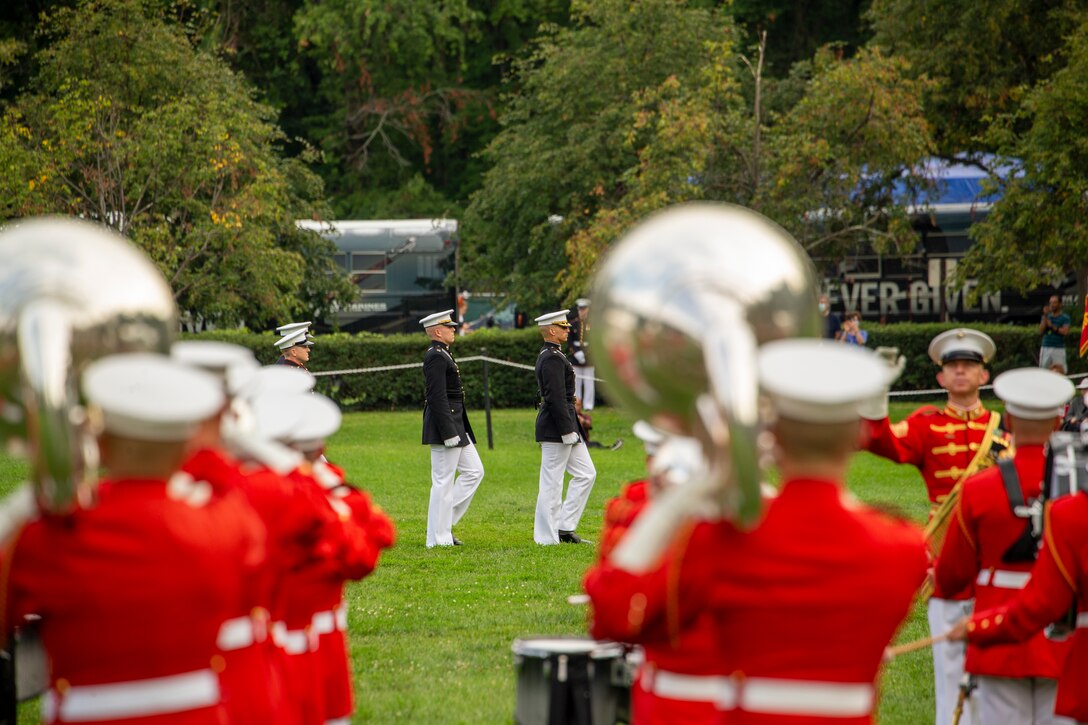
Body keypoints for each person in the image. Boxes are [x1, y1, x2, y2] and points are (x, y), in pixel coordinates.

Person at [584, 340, 928, 723]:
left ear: (773, 436)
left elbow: (613, 615)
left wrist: (676, 502)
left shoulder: (725, 537)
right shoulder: (903, 543)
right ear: (860, 437)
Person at [4, 354, 268, 725]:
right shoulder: (228, 524)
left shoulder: (51, 540)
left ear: (103, 445)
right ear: (184, 447)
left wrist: (34, 497)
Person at [860, 327, 1011, 725]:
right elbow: (881, 442)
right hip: (945, 558)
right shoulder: (926, 424)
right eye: (953, 366)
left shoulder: (1005, 431)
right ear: (940, 378)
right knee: (949, 666)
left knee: (997, 663)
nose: (961, 372)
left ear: (984, 376)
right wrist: (878, 394)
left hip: (997, 556)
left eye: (970, 366)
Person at [934, 368, 1074, 725]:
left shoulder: (979, 488)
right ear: (1058, 423)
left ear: (1008, 420)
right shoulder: (1079, 490)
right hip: (1063, 639)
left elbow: (951, 577)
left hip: (996, 639)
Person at [420, 309, 484, 548]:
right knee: (443, 481)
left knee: (474, 471)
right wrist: (447, 432)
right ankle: (437, 537)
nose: (453, 329)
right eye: (449, 327)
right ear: (437, 331)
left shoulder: (443, 353)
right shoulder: (435, 356)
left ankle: (441, 523)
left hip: (456, 423)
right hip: (446, 425)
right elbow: (436, 397)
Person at [534, 309, 597, 545]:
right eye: (563, 327)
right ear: (552, 330)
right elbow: (555, 397)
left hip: (567, 423)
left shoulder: (556, 354)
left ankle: (564, 527)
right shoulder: (550, 357)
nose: (568, 330)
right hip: (556, 427)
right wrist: (566, 430)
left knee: (586, 473)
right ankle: (545, 537)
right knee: (552, 481)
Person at [568, 298, 595, 411]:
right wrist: (576, 353)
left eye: (583, 309)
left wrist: (586, 354)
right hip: (576, 357)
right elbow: (569, 342)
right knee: (576, 383)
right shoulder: (573, 324)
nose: (581, 311)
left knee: (589, 383)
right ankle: (577, 404)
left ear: (587, 310)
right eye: (580, 309)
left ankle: (588, 405)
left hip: (589, 359)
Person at [1039, 296, 1070, 370]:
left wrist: (1052, 326)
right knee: (1044, 370)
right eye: (1051, 302)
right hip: (1046, 347)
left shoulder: (1065, 318)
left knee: (1060, 370)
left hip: (1058, 348)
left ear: (1060, 304)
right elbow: (1041, 331)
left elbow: (1065, 332)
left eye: (1054, 302)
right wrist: (1045, 315)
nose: (1052, 304)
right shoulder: (1047, 317)